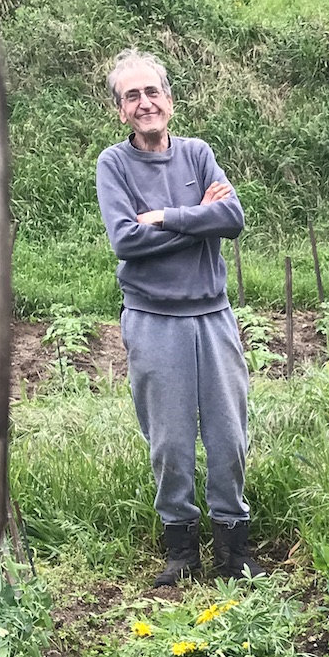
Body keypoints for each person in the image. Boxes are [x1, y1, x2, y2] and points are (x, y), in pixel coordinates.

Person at [96, 48, 266, 584]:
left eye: (153, 92)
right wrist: (199, 221)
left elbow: (232, 217)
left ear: (169, 99)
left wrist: (166, 217)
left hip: (213, 316)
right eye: (132, 96)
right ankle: (182, 552)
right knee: (169, 441)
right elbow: (125, 239)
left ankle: (233, 550)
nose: (145, 103)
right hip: (153, 319)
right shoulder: (114, 164)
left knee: (228, 436)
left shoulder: (197, 154)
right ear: (119, 109)